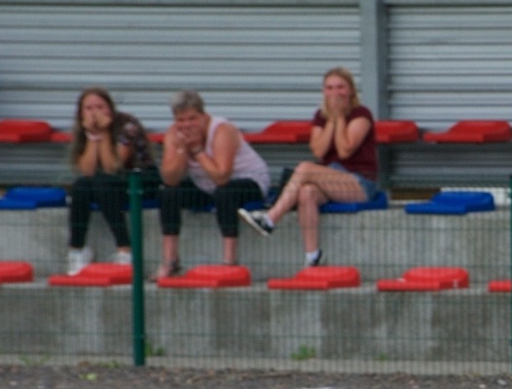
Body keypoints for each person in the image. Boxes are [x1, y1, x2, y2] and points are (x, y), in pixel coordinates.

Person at [238, 67, 377, 268]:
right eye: (330, 88)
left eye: (341, 87)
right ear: (324, 91)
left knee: (304, 168)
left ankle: (270, 218)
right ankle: (313, 256)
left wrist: (339, 118)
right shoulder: (321, 116)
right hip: (332, 177)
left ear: (351, 91)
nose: (335, 93)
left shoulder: (361, 114)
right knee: (306, 192)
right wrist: (331, 119)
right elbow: (319, 152)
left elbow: (345, 150)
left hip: (359, 180)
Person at [156, 90, 271, 279]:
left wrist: (198, 151)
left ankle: (229, 262)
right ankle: (171, 260)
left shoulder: (222, 130)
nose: (186, 125)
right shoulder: (174, 134)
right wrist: (182, 151)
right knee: (167, 193)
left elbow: (221, 177)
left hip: (248, 182)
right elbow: (170, 178)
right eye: (181, 120)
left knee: (224, 193)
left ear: (203, 116)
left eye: (192, 119)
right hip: (206, 185)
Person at [65, 87, 155, 275]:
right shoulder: (84, 129)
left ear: (110, 108)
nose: (94, 113)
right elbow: (87, 171)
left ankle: (125, 250)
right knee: (81, 186)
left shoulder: (127, 126)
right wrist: (92, 136)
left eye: (100, 106)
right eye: (88, 108)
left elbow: (113, 167)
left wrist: (104, 133)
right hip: (104, 183)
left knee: (104, 183)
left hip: (139, 179)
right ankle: (77, 250)